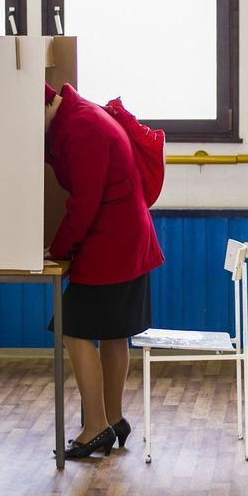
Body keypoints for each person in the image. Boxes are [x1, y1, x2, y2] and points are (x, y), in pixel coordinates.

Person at [44, 82, 165, 459]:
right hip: (127, 240)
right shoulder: (83, 114)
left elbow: (84, 202)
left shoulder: (80, 128)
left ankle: (95, 426)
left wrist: (58, 251)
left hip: (112, 243)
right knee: (114, 334)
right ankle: (113, 419)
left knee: (72, 330)